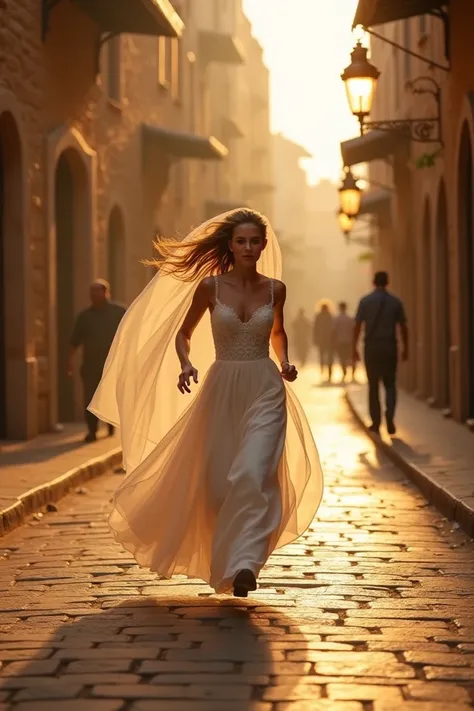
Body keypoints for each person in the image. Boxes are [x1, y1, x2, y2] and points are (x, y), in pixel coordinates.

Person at [88, 208, 323, 597]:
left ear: (263, 245)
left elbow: (277, 331)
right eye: (241, 241)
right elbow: (183, 334)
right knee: (216, 486)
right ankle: (227, 559)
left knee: (253, 473)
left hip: (265, 386)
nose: (248, 247)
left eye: (254, 241)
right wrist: (184, 363)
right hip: (222, 387)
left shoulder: (275, 289)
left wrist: (285, 362)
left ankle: (245, 564)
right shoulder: (210, 289)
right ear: (231, 245)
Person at [68, 279, 126, 443]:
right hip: (91, 365)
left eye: (97, 292)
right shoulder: (85, 316)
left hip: (112, 364)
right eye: (91, 292)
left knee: (111, 395)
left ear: (106, 292)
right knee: (90, 398)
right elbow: (74, 340)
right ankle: (91, 431)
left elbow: (130, 335)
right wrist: (70, 362)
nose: (94, 295)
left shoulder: (118, 312)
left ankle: (110, 425)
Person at [353, 271, 408, 436]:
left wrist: (353, 348)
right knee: (390, 385)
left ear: (373, 282)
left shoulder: (365, 301)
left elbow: (357, 326)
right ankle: (389, 416)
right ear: (388, 282)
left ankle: (376, 422)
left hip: (371, 347)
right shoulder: (395, 301)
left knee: (373, 385)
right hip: (390, 346)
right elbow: (403, 326)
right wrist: (406, 348)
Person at [333, 301, 354, 382]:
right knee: (348, 357)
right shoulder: (349, 318)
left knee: (342, 358)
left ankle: (344, 371)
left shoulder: (337, 318)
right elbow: (353, 329)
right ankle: (351, 373)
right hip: (349, 341)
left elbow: (334, 331)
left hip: (340, 341)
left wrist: (334, 341)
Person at [313, 302, 334, 382]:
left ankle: (322, 369)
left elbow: (315, 328)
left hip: (321, 339)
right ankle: (329, 372)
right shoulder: (330, 315)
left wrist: (315, 339)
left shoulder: (318, 316)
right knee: (329, 357)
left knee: (322, 356)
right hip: (329, 339)